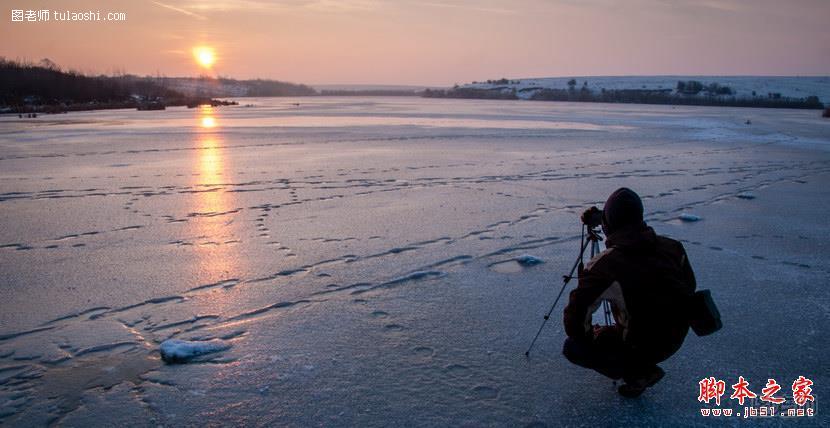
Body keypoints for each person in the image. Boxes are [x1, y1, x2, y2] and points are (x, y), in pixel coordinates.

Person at [562, 188, 696, 398]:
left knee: (573, 347)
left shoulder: (606, 265)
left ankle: (639, 373)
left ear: (608, 224)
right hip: (674, 337)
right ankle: (639, 360)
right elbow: (690, 286)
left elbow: (574, 318)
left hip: (643, 344)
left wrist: (593, 337)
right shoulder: (673, 247)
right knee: (632, 320)